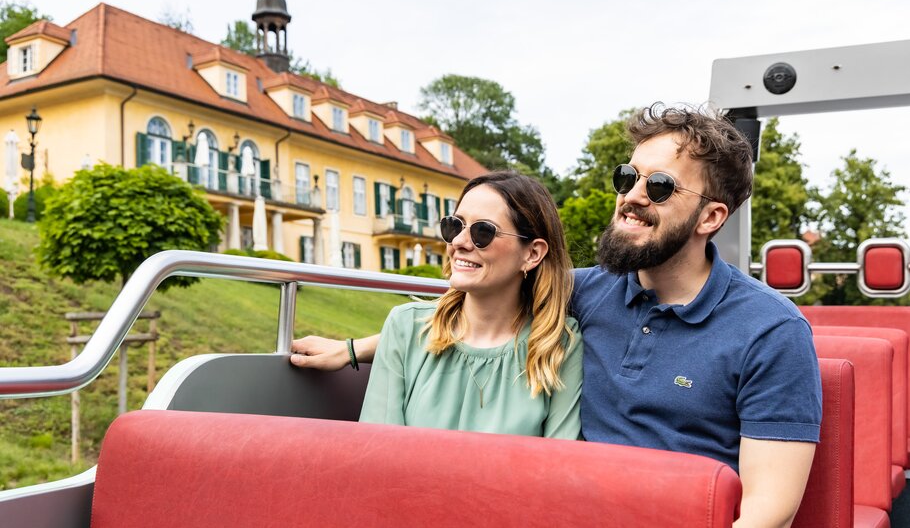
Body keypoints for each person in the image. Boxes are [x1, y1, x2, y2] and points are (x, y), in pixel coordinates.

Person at [291, 104, 820, 527]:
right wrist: (352, 351)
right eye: (626, 178)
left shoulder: (770, 331)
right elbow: (470, 312)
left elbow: (770, 511)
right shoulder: (585, 292)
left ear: (711, 216)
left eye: (658, 187)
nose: (631, 197)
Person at [295, 171, 583, 439]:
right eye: (454, 225)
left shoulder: (560, 347)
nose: (459, 241)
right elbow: (379, 455)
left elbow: (556, 470)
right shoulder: (405, 326)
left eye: (483, 232)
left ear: (532, 253)